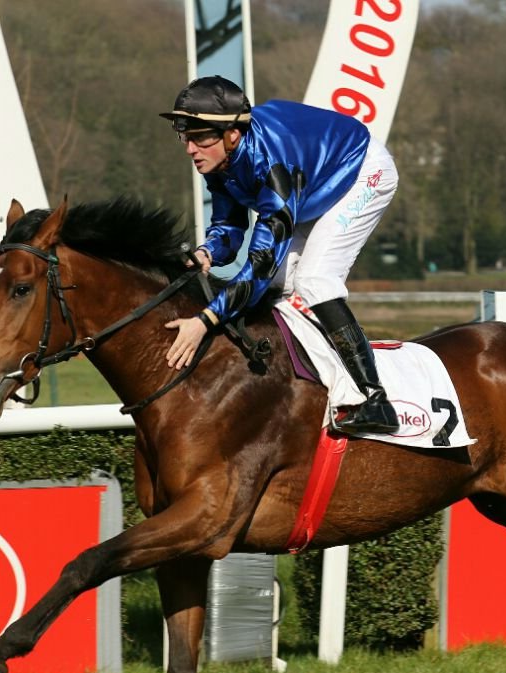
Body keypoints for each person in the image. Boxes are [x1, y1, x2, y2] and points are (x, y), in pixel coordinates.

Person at [160, 75, 400, 436]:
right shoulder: (219, 164)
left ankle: (376, 399)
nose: (191, 149)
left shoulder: (271, 164)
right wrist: (207, 252)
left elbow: (259, 263)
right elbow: (229, 227)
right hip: (312, 187)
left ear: (232, 135)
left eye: (200, 138)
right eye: (185, 137)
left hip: (362, 171)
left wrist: (205, 320)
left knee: (315, 281)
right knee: (278, 286)